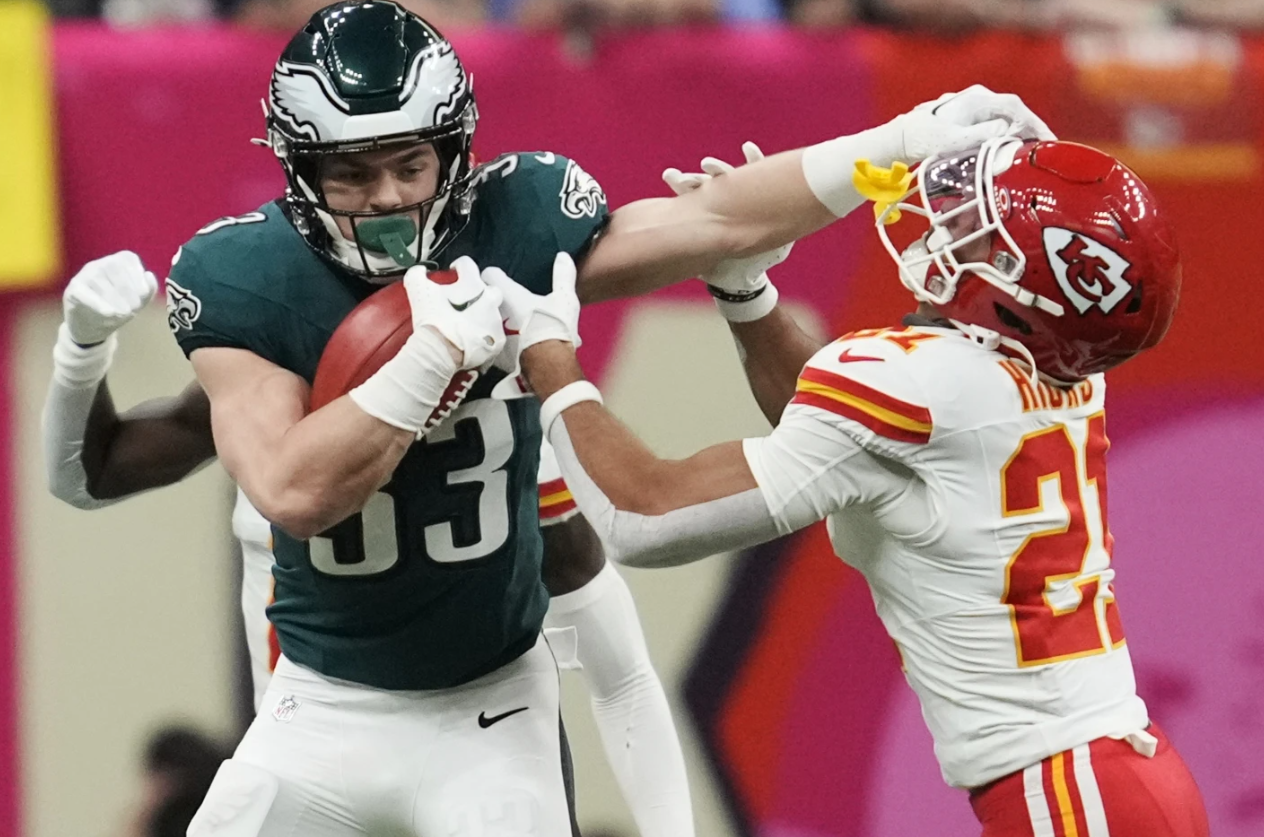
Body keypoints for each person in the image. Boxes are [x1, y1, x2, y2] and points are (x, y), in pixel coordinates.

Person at [43, 0, 1049, 830]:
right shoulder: (248, 279)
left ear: (459, 153)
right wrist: (433, 356)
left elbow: (712, 218)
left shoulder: (512, 226)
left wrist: (904, 140)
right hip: (320, 708)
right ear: (297, 171)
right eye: (351, 172)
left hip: (491, 714)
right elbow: (294, 490)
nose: (387, 198)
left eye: (410, 164)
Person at [497, 135, 1211, 836]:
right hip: (1121, 777)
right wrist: (745, 290)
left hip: (1068, 793)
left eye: (984, 236)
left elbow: (644, 515)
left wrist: (550, 357)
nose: (949, 220)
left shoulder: (924, 385)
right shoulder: (1056, 364)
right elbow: (841, 440)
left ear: (1018, 298)